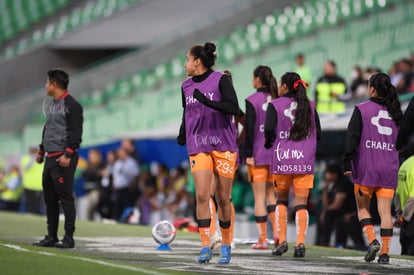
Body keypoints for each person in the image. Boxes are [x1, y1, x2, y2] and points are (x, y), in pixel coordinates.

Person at [177, 42, 239, 264]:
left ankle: (226, 244)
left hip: (223, 145)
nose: (185, 64)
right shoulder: (185, 86)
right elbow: (187, 112)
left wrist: (209, 102)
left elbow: (234, 108)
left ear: (197, 61)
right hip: (198, 145)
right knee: (202, 196)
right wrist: (183, 132)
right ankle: (205, 245)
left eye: (187, 59)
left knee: (223, 198)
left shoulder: (221, 79)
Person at [343, 73, 402, 264]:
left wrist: (347, 161)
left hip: (366, 168)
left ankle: (373, 240)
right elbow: (404, 141)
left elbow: (352, 138)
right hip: (388, 168)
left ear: (371, 89)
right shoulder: (396, 113)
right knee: (385, 212)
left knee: (362, 209)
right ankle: (385, 253)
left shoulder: (361, 109)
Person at [265, 72, 321, 258]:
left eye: (281, 84)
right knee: (301, 203)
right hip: (304, 159)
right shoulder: (310, 106)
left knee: (281, 200)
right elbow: (318, 132)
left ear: (285, 87)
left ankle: (281, 241)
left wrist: (269, 143)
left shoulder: (275, 104)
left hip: (282, 158)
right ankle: (300, 243)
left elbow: (269, 129)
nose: (279, 87)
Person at [33, 68, 83, 249]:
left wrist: (68, 153)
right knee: (50, 198)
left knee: (66, 198)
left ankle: (69, 237)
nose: (46, 86)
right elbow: (49, 129)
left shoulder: (72, 105)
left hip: (63, 158)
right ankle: (51, 236)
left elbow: (76, 132)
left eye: (47, 82)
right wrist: (41, 150)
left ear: (54, 84)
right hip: (50, 158)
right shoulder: (54, 104)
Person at [245, 65, 279, 249]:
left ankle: (263, 239)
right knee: (271, 196)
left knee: (259, 197)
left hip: (258, 153)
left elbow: (250, 130)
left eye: (253, 77)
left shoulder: (252, 100)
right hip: (275, 154)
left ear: (258, 79)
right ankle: (279, 238)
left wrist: (248, 153)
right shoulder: (278, 99)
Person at [317, 164, 365, 249]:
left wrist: (324, 212)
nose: (326, 175)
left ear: (334, 174)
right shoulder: (334, 185)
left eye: (327, 173)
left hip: (352, 213)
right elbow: (327, 204)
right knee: (328, 214)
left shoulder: (343, 183)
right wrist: (325, 189)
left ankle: (325, 241)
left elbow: (337, 205)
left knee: (329, 214)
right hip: (342, 213)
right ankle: (332, 243)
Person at [396, 142, 414, 255]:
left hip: (405, 216)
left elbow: (398, 193)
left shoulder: (405, 164)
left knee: (405, 253)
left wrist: (399, 215)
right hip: (410, 216)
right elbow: (413, 198)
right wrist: (405, 217)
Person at [112, 147, 139, 220]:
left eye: (121, 153)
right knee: (118, 206)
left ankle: (129, 220)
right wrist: (114, 185)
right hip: (118, 189)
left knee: (127, 206)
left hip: (127, 189)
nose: (119, 155)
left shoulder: (131, 162)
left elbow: (136, 175)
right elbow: (115, 176)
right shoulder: (117, 163)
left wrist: (133, 186)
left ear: (125, 153)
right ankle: (117, 220)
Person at [79, 149, 103, 220]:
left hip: (96, 191)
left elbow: (98, 176)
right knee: (86, 210)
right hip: (87, 192)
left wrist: (97, 173)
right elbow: (84, 174)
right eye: (90, 155)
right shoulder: (88, 165)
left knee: (91, 208)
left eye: (92, 155)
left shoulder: (100, 165)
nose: (90, 157)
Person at [20, 146, 44, 214]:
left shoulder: (41, 159)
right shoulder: (26, 158)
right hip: (30, 185)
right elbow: (25, 168)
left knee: (37, 205)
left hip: (38, 186)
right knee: (31, 204)